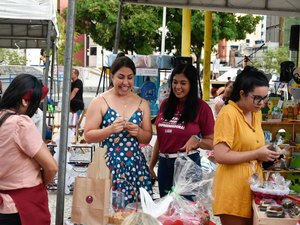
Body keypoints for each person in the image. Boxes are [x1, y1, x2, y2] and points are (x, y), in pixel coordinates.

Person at [212, 66, 280, 225]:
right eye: (257, 98)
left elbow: (252, 147)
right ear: (242, 93)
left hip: (254, 188)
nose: (262, 103)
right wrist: (257, 154)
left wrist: (268, 156)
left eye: (265, 98)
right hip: (232, 190)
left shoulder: (255, 113)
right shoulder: (228, 113)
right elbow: (221, 155)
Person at [84, 56, 153, 205]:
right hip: (108, 165)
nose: (126, 83)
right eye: (121, 77)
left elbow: (147, 137)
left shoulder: (142, 103)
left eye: (130, 78)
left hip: (135, 166)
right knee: (108, 211)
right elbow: (88, 135)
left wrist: (138, 133)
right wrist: (110, 129)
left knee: (136, 213)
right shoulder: (100, 101)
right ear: (112, 76)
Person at [149, 63, 214, 198]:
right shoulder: (165, 105)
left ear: (191, 84)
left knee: (185, 213)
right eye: (174, 82)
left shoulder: (202, 108)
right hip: (164, 165)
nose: (178, 87)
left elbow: (213, 142)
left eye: (183, 83)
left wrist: (198, 140)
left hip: (187, 165)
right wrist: (151, 166)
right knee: (166, 211)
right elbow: (161, 140)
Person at [0, 74, 58, 225]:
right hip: (22, 207)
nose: (35, 110)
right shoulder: (20, 124)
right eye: (36, 104)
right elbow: (51, 167)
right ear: (25, 101)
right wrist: (43, 181)